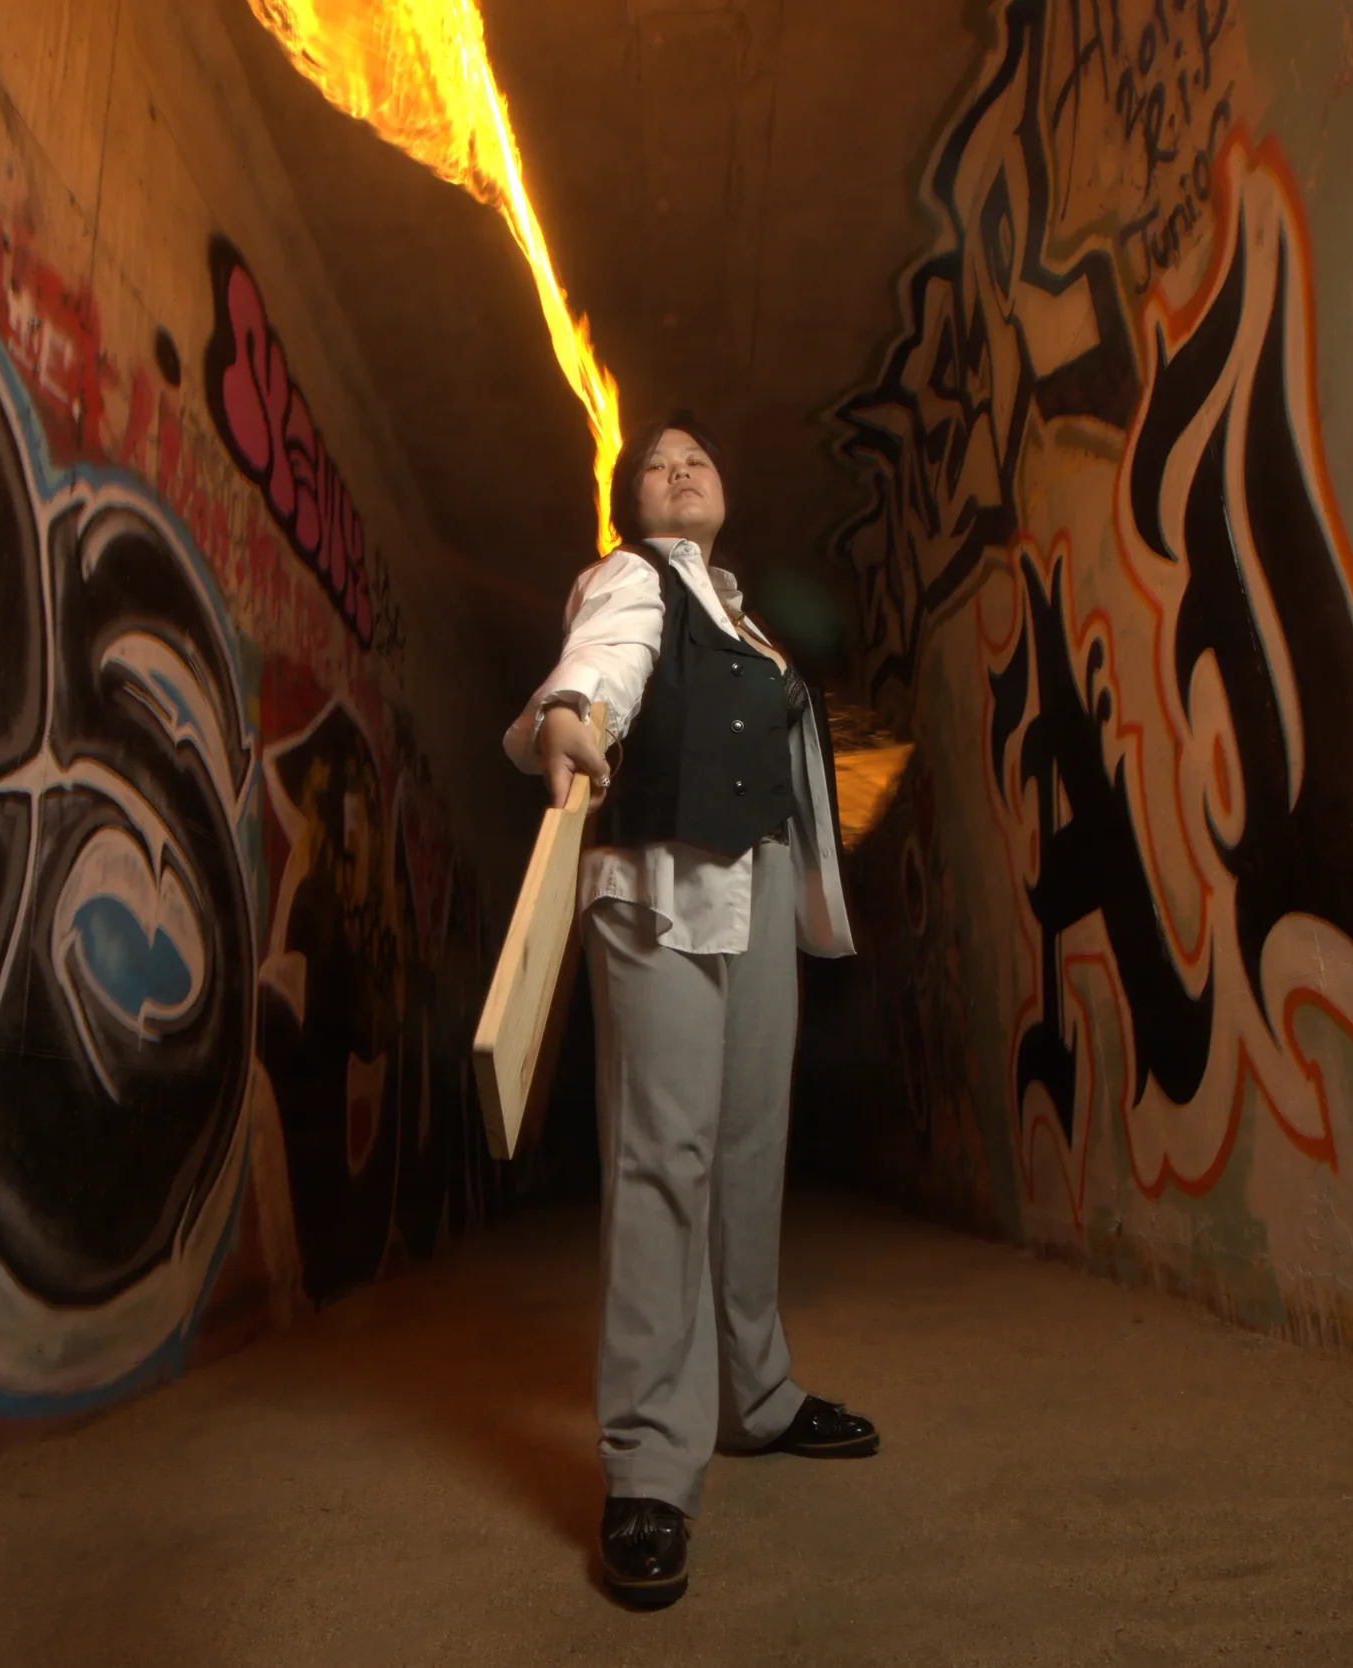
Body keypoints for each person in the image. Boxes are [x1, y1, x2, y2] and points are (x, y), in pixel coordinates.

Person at [503, 411, 878, 1609]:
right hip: (660, 884)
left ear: (723, 491)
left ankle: (751, 1397)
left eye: (696, 460)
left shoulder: (743, 618)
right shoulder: (634, 579)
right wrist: (574, 717)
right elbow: (601, 663)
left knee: (750, 1148)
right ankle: (652, 1460)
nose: (677, 470)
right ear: (635, 502)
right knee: (664, 1159)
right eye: (655, 465)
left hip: (756, 889)